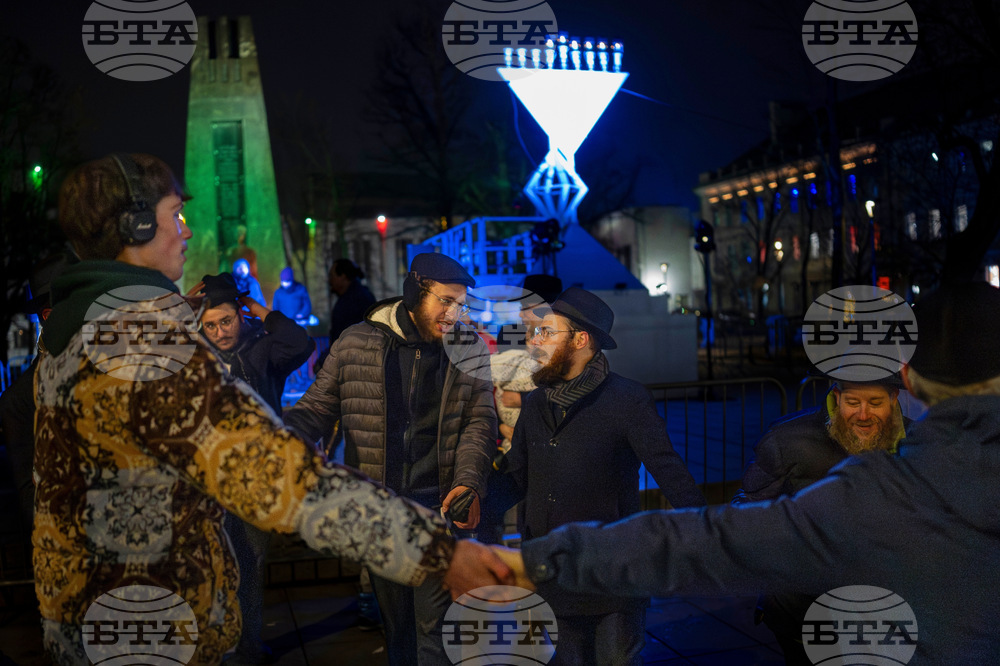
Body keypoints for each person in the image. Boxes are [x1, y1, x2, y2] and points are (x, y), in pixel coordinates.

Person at [31, 153, 510, 665]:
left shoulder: (75, 334)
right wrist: (437, 551)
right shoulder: (141, 343)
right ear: (137, 225)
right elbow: (274, 473)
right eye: (176, 214)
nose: (186, 231)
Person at [483, 282, 1000, 664]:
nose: (863, 414)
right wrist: (480, 502)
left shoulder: (877, 486)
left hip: (598, 575)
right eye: (853, 401)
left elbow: (711, 529)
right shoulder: (537, 402)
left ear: (907, 380)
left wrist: (526, 561)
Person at [283, 252, 497, 665]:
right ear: (416, 293)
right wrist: (282, 443)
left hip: (438, 508)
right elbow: (316, 408)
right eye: (446, 301)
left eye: (461, 304)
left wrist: (468, 481)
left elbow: (479, 420)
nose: (454, 314)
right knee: (397, 627)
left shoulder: (468, 347)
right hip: (380, 512)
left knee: (434, 628)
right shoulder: (355, 342)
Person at [493, 287, 707, 665]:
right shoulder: (537, 401)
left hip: (612, 571)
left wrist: (707, 532)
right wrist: (474, 501)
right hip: (551, 568)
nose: (534, 341)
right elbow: (517, 474)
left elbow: (668, 468)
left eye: (547, 332)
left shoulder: (626, 399)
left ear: (580, 340)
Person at [732, 374, 911, 664]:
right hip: (803, 612)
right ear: (837, 396)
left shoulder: (919, 444)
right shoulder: (787, 439)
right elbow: (746, 509)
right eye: (853, 402)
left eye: (875, 402)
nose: (863, 414)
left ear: (893, 398)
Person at [192, 271, 315, 665]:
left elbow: (301, 342)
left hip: (256, 478)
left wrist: (257, 308)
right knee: (210, 564)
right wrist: (182, 308)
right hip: (208, 480)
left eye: (226, 321)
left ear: (239, 315)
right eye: (210, 325)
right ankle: (218, 644)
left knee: (250, 563)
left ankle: (247, 646)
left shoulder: (262, 350)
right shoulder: (195, 356)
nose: (220, 332)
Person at [327, 257, 375, 343]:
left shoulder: (353, 301)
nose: (330, 281)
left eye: (332, 276)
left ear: (343, 277)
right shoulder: (361, 295)